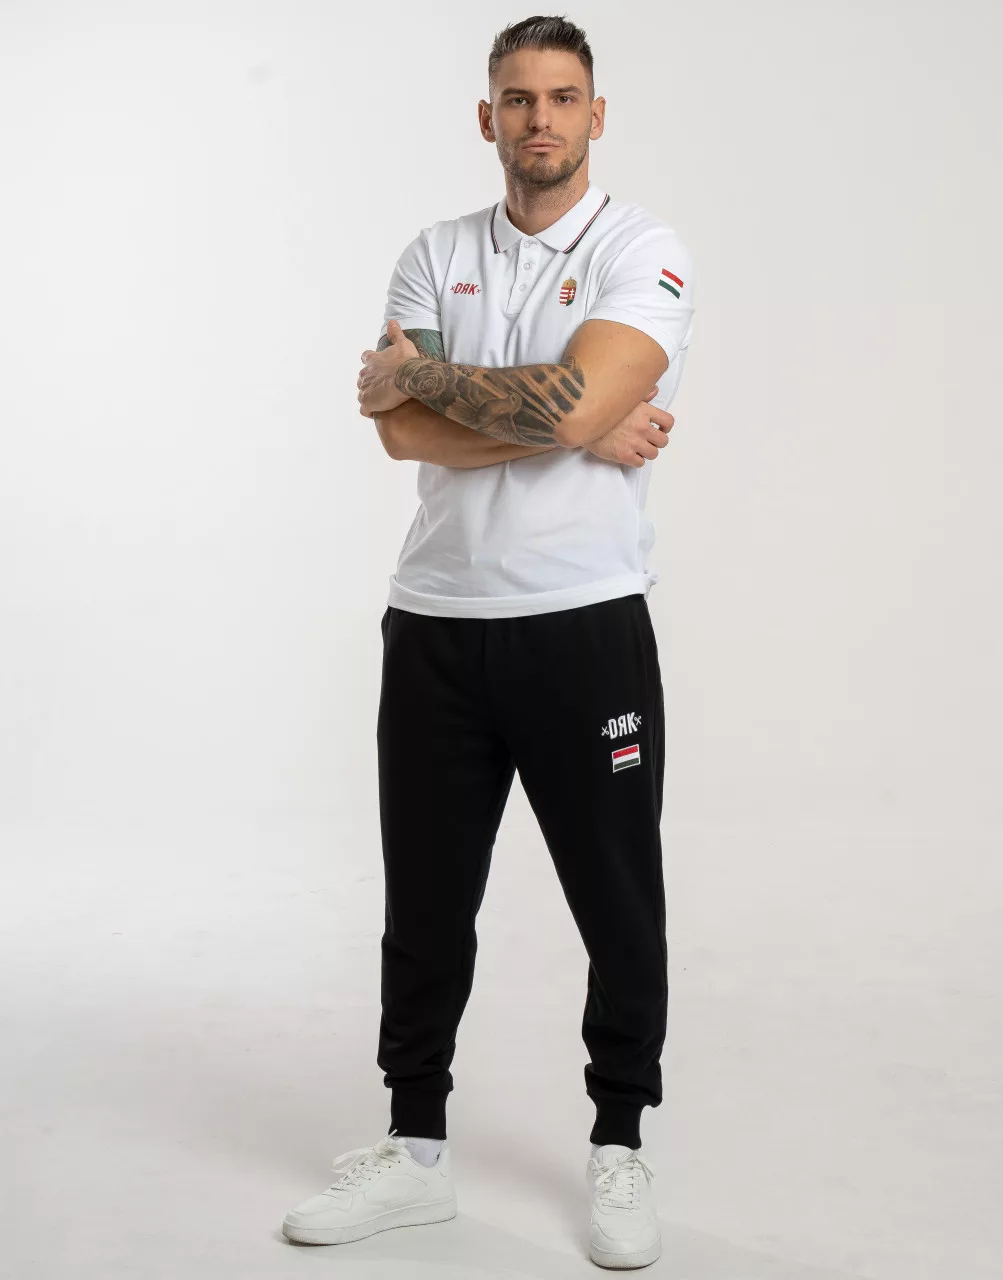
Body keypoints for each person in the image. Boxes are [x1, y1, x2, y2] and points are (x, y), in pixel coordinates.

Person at [282, 13, 695, 1270]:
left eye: (561, 97)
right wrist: (570, 416)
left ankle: (619, 1142)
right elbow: (402, 434)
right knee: (424, 903)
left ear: (595, 115)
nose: (539, 119)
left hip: (584, 623)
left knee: (617, 900)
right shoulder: (435, 251)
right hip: (438, 625)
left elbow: (552, 400)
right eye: (517, 98)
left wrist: (465, 386)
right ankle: (415, 1154)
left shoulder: (641, 248)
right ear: (487, 118)